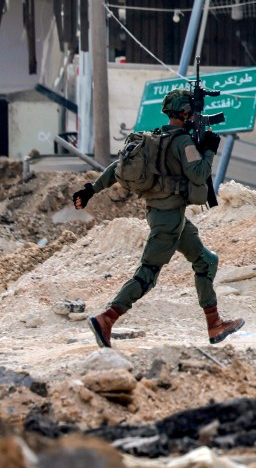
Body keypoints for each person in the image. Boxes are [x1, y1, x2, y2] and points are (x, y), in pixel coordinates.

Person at [73, 89, 245, 347]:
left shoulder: (153, 137)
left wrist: (91, 189)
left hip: (164, 215)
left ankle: (214, 325)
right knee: (148, 274)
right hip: (169, 221)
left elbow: (116, 168)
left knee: (206, 261)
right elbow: (199, 175)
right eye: (191, 113)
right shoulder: (184, 143)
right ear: (185, 113)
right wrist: (209, 150)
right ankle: (107, 318)